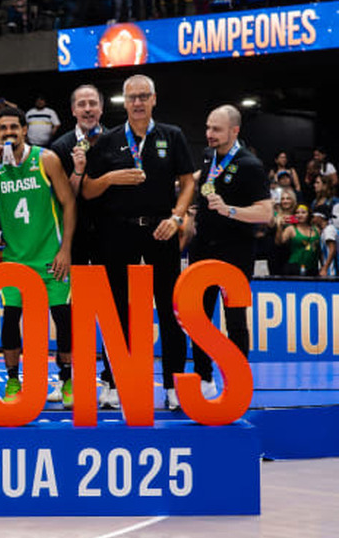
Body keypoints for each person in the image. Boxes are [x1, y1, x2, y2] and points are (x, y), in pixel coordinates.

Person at [83, 74, 195, 411]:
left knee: (169, 309)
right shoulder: (107, 140)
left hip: (161, 230)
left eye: (144, 96)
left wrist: (177, 217)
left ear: (154, 99)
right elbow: (87, 190)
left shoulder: (172, 136)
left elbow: (188, 181)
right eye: (131, 97)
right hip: (118, 233)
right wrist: (110, 178)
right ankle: (116, 382)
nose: (137, 102)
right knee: (116, 309)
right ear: (124, 102)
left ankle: (174, 385)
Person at [0, 106, 76, 407]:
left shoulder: (46, 159)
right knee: (10, 322)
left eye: (13, 127)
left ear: (24, 129)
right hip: (14, 261)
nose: (8, 133)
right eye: (3, 128)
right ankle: (13, 380)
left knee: (63, 320)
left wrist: (65, 250)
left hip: (50, 258)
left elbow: (69, 204)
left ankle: (67, 378)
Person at [189, 105, 273, 398]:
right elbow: (204, 179)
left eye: (216, 129)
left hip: (235, 251)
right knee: (198, 316)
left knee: (235, 319)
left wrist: (230, 210)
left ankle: (236, 384)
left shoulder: (250, 165)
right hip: (202, 249)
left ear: (234, 131)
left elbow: (266, 213)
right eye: (208, 127)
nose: (209, 134)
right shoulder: (208, 155)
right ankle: (203, 378)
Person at [49, 84, 104, 277]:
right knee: (77, 290)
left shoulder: (116, 140)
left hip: (110, 231)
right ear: (73, 110)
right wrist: (77, 171)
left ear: (101, 108)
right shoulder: (59, 147)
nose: (88, 109)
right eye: (81, 104)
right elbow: (64, 198)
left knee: (112, 290)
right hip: (75, 233)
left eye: (93, 103)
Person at [276, 204, 320, 275]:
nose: (300, 215)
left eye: (303, 212)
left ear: (309, 214)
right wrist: (280, 227)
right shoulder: (291, 229)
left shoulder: (316, 229)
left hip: (312, 267)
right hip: (294, 266)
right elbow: (279, 242)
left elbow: (320, 250)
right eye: (297, 213)